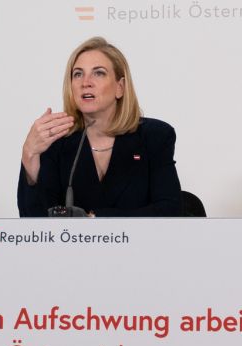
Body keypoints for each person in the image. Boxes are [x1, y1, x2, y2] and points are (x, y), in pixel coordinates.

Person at [18, 36, 181, 217]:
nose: (85, 82)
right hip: (72, 246)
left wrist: (97, 220)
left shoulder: (155, 137)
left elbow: (169, 210)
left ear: (120, 87)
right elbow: (34, 226)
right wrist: (30, 155)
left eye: (99, 73)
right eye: (78, 74)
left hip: (140, 245)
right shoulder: (56, 140)